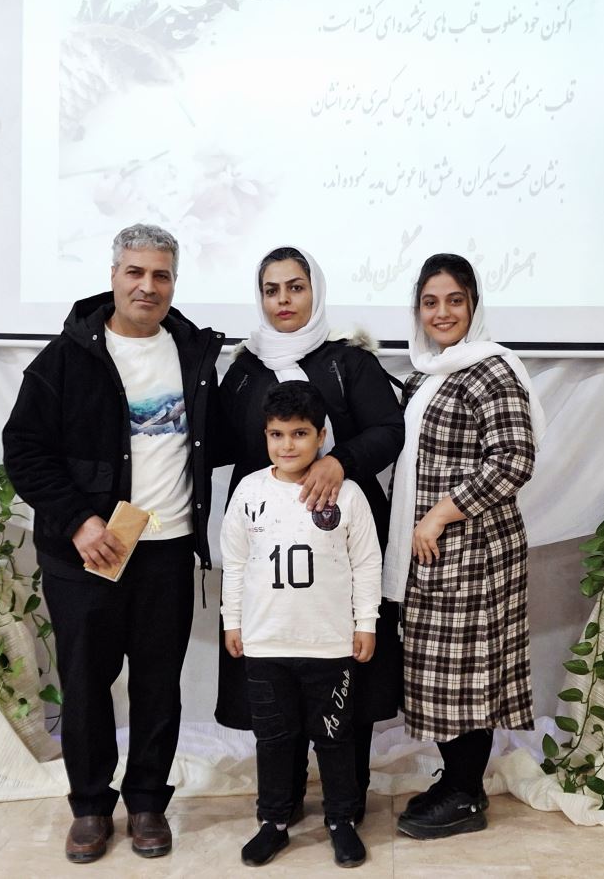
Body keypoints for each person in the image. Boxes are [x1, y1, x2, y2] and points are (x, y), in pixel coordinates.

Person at [2, 224, 224, 864]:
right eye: (135, 272)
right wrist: (80, 521)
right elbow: (24, 451)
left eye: (161, 275)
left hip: (167, 551)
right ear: (114, 276)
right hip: (87, 554)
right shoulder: (64, 359)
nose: (147, 286)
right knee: (86, 684)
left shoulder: (195, 355)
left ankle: (148, 803)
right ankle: (91, 808)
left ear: (173, 283)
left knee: (158, 685)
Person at [213, 246, 405, 823]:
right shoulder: (245, 368)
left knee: (344, 672)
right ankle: (284, 797)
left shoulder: (349, 361)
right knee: (275, 676)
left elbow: (389, 429)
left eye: (295, 287)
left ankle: (348, 797)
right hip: (267, 552)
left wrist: (340, 461)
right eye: (271, 290)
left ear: (315, 291)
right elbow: (220, 439)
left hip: (339, 537)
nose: (284, 300)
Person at [383, 253, 546, 840]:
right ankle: (457, 781)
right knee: (441, 674)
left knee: (468, 674)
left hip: (475, 549)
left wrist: (439, 515)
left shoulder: (491, 370)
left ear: (473, 304)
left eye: (455, 300)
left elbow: (514, 460)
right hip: (433, 551)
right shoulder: (427, 374)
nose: (442, 312)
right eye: (430, 302)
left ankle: (465, 794)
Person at [221, 381, 381, 868]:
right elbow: (235, 562)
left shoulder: (346, 494)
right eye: (277, 435)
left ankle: (341, 820)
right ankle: (273, 821)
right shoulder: (250, 491)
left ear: (321, 436)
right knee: (273, 739)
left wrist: (366, 622)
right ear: (265, 435)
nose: (287, 445)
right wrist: (232, 620)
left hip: (328, 643)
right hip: (267, 643)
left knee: (334, 737)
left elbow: (365, 563)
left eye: (299, 434)